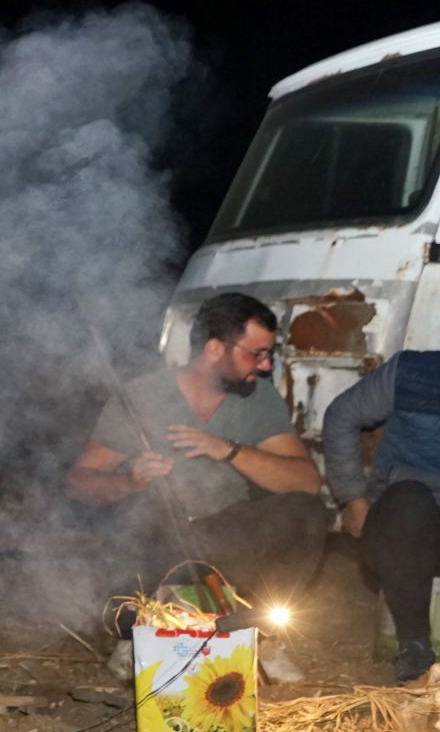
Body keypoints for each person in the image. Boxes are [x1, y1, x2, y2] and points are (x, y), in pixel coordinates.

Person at [66, 293, 327, 676]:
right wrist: (130, 482)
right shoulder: (144, 395)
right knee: (139, 517)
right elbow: (77, 483)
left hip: (225, 537)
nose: (267, 365)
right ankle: (136, 636)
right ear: (215, 348)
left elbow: (306, 481)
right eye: (256, 353)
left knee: (305, 512)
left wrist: (229, 450)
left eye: (267, 353)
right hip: (159, 539)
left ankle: (259, 634)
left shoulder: (259, 398)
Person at [322, 350, 440, 683]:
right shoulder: (413, 373)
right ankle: (414, 647)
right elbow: (342, 415)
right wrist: (353, 498)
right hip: (406, 522)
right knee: (409, 502)